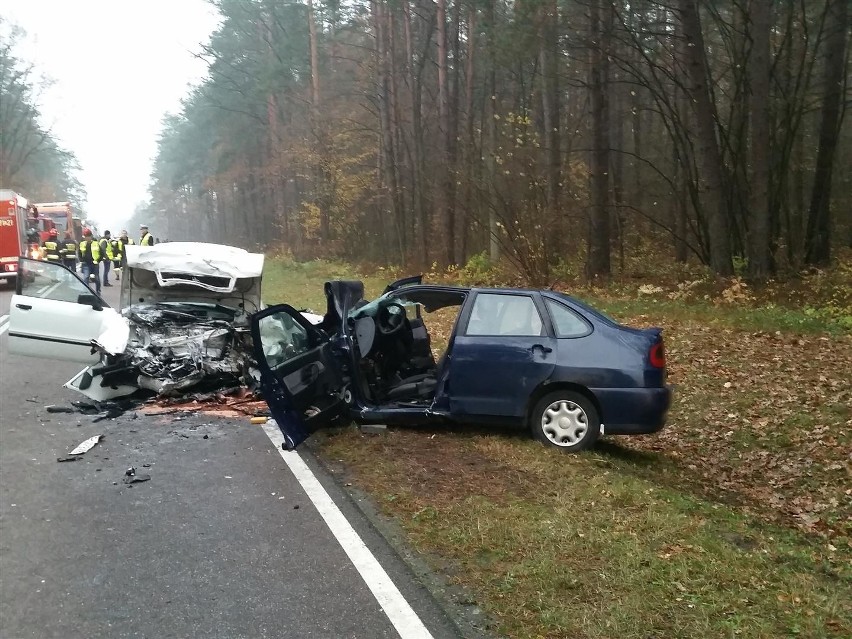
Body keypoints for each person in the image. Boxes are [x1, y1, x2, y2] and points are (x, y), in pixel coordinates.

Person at [78, 228, 102, 294]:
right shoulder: (82, 244)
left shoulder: (96, 243)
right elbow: (79, 252)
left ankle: (98, 290)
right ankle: (86, 291)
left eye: (88, 236)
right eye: (86, 236)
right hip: (86, 264)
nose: (87, 238)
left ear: (91, 236)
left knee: (96, 278)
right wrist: (81, 260)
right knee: (86, 277)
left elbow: (101, 253)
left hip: (94, 263)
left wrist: (98, 260)